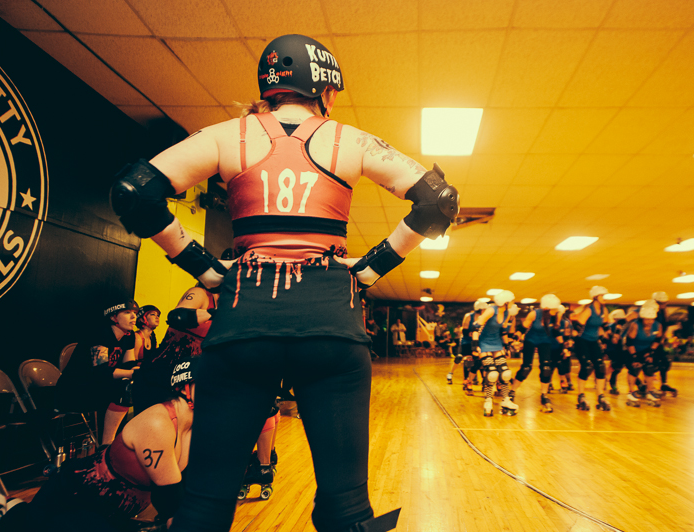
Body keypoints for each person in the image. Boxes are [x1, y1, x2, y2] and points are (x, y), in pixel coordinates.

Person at [108, 34, 459, 532]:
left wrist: (203, 267)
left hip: (243, 321)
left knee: (204, 504)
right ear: (327, 91)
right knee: (347, 511)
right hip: (330, 325)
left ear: (269, 86)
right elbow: (439, 201)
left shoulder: (229, 135)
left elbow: (134, 193)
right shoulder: (348, 139)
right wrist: (371, 268)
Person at [0, 362, 196, 532]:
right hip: (73, 501)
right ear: (186, 388)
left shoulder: (192, 425)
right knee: (22, 526)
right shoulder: (159, 423)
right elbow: (171, 504)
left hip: (107, 514)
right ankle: (9, 508)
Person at [57, 301, 140, 445]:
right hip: (74, 390)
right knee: (123, 389)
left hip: (98, 387)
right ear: (113, 317)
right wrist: (132, 374)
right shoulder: (100, 333)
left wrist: (140, 370)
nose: (134, 317)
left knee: (131, 386)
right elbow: (102, 371)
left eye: (135, 313)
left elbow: (129, 364)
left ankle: (114, 443)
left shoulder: (129, 336)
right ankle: (106, 445)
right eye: (127, 313)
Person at [132, 285, 217, 414]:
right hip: (160, 373)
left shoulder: (230, 306)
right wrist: (215, 313)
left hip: (186, 379)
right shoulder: (201, 294)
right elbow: (177, 317)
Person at [510, 294, 562, 413]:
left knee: (546, 368)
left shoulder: (556, 316)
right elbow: (522, 328)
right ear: (546, 309)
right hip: (531, 340)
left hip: (545, 341)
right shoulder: (534, 314)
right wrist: (515, 339)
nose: (556, 311)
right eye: (554, 309)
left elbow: (556, 331)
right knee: (526, 367)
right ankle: (512, 391)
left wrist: (565, 346)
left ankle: (544, 395)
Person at [472, 291, 519, 416]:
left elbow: (503, 331)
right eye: (512, 301)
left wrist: (507, 346)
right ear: (506, 302)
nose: (513, 303)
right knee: (492, 373)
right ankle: (488, 400)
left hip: (497, 344)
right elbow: (475, 328)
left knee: (505, 373)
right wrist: (475, 346)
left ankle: (506, 400)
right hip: (484, 344)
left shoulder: (507, 313)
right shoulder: (491, 311)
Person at [570, 286, 610, 412]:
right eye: (602, 296)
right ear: (595, 297)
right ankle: (581, 395)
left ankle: (600, 395)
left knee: (600, 366)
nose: (604, 298)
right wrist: (571, 342)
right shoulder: (589, 310)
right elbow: (577, 327)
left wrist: (605, 340)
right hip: (582, 341)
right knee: (586, 366)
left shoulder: (604, 310)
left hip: (594, 341)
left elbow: (604, 326)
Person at [625, 300, 663, 407]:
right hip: (631, 349)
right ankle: (631, 392)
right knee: (635, 368)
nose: (650, 321)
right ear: (643, 318)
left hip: (647, 349)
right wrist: (634, 357)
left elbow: (657, 340)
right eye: (647, 319)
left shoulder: (658, 325)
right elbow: (629, 342)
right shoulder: (635, 325)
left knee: (649, 367)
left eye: (652, 319)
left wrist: (650, 353)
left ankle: (650, 391)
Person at [450, 301, 485, 389]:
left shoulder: (485, 317)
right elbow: (464, 331)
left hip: (479, 341)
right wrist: (473, 333)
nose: (486, 311)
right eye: (484, 309)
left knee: (480, 361)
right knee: (469, 360)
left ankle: (484, 380)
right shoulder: (469, 316)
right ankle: (466, 379)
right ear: (479, 309)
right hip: (467, 341)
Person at [652, 291, 678, 396]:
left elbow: (664, 326)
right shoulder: (652, 312)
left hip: (659, 342)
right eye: (661, 303)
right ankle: (647, 385)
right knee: (651, 364)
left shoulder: (663, 312)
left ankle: (664, 384)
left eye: (665, 303)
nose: (663, 305)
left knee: (665, 363)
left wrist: (664, 339)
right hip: (650, 342)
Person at [606, 308, 627, 395]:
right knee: (617, 366)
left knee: (618, 367)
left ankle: (607, 378)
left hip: (621, 349)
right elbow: (609, 339)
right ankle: (611, 382)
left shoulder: (626, 326)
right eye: (617, 319)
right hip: (612, 349)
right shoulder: (610, 327)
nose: (617, 321)